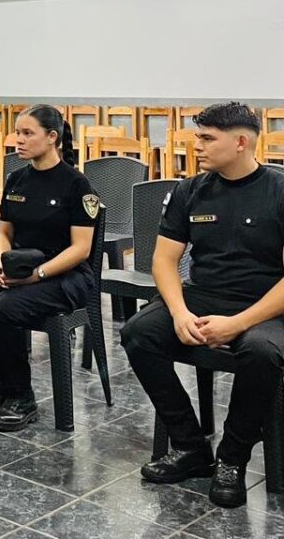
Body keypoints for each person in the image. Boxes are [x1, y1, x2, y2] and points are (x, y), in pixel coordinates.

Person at [121, 102, 284, 509]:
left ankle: (232, 457)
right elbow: (163, 261)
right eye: (198, 137)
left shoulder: (278, 191)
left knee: (260, 351)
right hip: (204, 294)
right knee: (139, 333)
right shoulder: (190, 190)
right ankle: (190, 445)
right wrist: (179, 312)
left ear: (241, 142)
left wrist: (238, 323)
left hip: (264, 303)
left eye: (208, 138)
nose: (197, 146)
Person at [0, 104, 97, 432]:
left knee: (3, 307)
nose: (18, 140)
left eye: (27, 133)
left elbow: (81, 249)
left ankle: (21, 395)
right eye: (17, 133)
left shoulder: (76, 185)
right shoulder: (17, 179)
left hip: (64, 275)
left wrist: (39, 274)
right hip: (19, 267)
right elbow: (4, 232)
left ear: (52, 137)